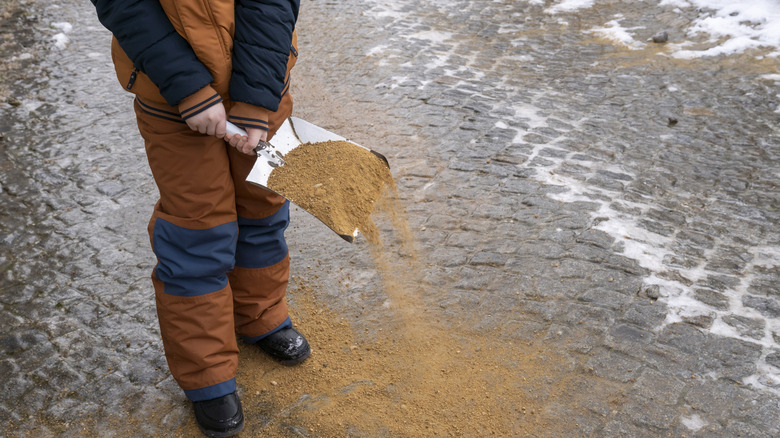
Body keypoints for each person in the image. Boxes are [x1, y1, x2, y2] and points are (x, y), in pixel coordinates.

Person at [90, 1, 308, 436]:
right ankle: (207, 374)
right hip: (171, 99)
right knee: (197, 231)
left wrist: (256, 97)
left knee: (262, 205)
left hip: (265, 90)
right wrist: (188, 89)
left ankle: (260, 315)